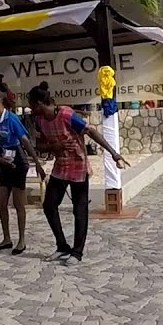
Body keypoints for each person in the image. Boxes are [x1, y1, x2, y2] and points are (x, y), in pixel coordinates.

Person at [28, 86, 128, 267]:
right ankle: (62, 247)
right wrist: (53, 148)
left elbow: (91, 132)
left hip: (78, 167)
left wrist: (114, 153)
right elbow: (40, 146)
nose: (30, 109)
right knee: (49, 205)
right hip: (60, 167)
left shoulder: (66, 115)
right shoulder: (40, 120)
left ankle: (77, 252)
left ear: (39, 103)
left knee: (79, 210)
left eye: (31, 105)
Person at [0, 89, 43, 255]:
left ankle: (22, 240)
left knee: (18, 204)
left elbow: (24, 141)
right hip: (4, 160)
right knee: (1, 201)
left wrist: (37, 164)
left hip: (17, 161)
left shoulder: (11, 119)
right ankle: (6, 238)